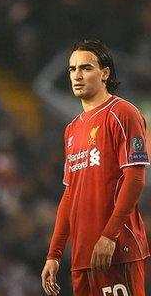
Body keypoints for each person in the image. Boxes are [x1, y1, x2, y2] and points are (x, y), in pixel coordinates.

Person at [41, 40, 149, 296]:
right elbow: (70, 195)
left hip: (115, 250)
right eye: (72, 69)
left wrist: (109, 236)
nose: (77, 75)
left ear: (105, 73)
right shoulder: (72, 129)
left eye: (86, 68)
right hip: (82, 258)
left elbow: (135, 179)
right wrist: (54, 254)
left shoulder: (122, 113)